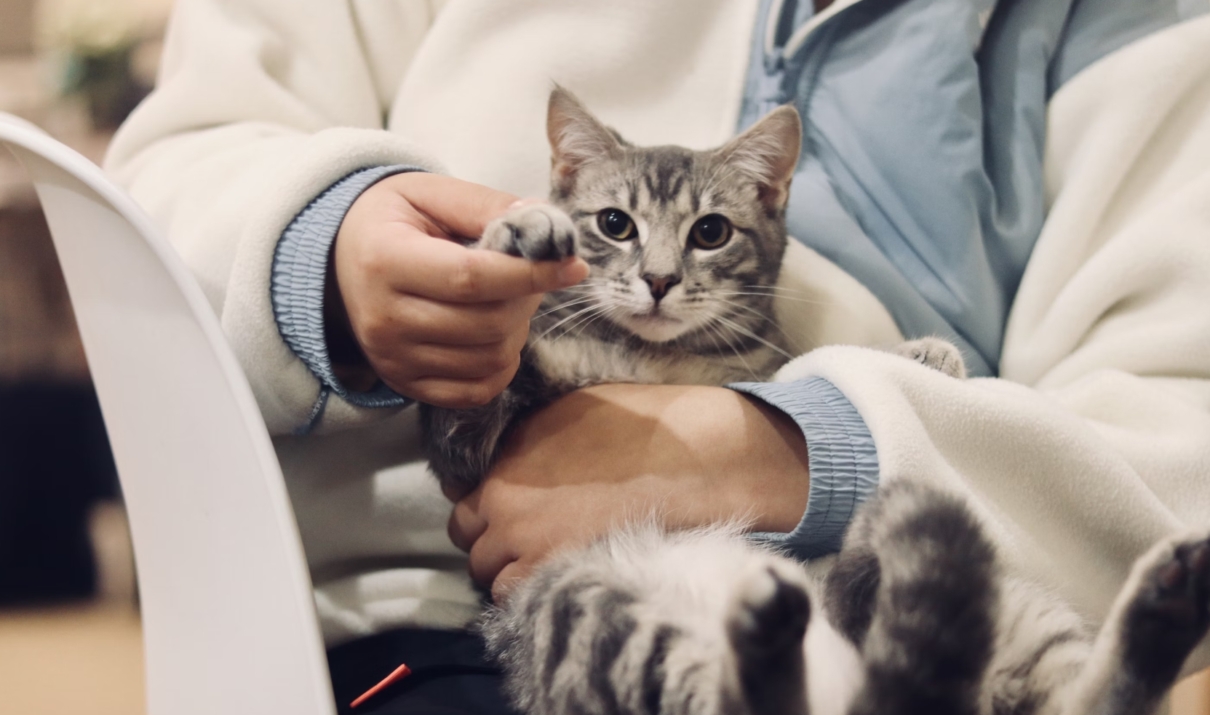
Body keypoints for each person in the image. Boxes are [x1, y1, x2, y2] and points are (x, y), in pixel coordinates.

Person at [105, 0, 1210, 712]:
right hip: (429, 622)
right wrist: (332, 241)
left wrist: (806, 445)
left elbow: (1181, 427)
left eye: (713, 235)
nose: (665, 276)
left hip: (885, 605)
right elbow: (165, 178)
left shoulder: (1135, 28)